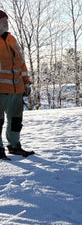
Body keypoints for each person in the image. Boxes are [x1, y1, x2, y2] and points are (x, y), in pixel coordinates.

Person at [0, 9, 34, 158]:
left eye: (6, 21)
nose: (5, 23)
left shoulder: (12, 40)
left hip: (16, 91)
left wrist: (26, 83)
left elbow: (21, 64)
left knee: (15, 121)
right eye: (2, 21)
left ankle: (14, 146)